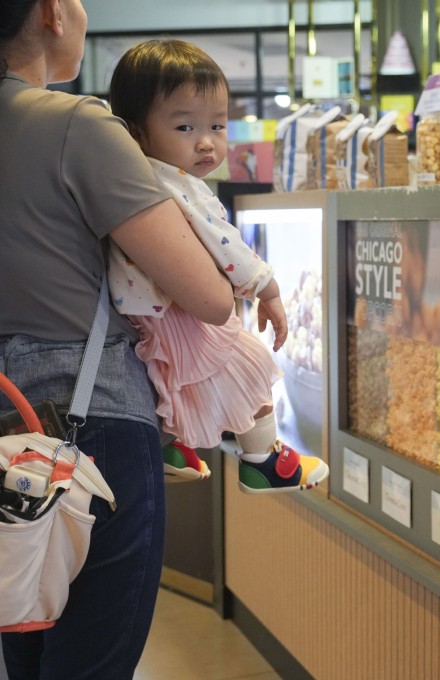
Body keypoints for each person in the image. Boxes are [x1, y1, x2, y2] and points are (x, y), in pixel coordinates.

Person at [0, 1, 235, 677]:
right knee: (92, 658)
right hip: (88, 428)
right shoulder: (75, 124)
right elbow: (210, 296)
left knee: (27, 643)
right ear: (48, 12)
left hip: (7, 423)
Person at [106, 38, 329, 494]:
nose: (207, 142)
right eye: (186, 127)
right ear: (137, 132)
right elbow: (225, 245)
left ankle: (170, 447)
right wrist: (266, 288)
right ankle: (263, 461)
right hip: (176, 312)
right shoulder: (177, 186)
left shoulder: (129, 179)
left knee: (173, 382)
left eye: (218, 125)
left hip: (146, 313)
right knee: (251, 364)